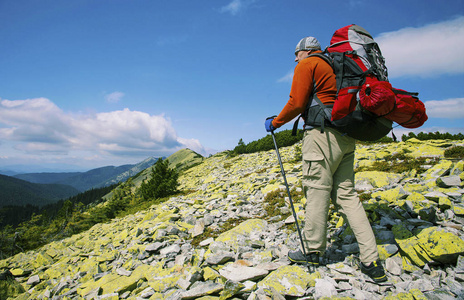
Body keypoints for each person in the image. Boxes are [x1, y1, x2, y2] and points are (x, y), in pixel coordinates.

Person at [264, 36, 387, 283]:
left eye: (295, 54)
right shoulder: (337, 63)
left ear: (304, 51)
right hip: (346, 135)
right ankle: (371, 261)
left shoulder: (307, 64)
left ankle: (312, 251)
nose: (295, 59)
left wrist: (275, 122)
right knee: (347, 196)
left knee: (317, 190)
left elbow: (297, 103)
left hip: (321, 135)